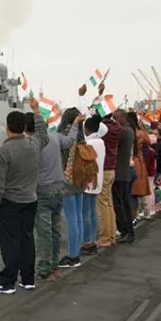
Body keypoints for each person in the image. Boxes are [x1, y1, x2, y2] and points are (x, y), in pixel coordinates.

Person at [0, 97, 49, 294]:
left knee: (10, 242)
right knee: (27, 239)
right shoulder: (33, 144)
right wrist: (37, 111)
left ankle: (7, 282)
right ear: (23, 127)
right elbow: (44, 134)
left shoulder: (5, 150)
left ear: (8, 128)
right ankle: (28, 278)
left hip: (10, 202)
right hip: (30, 200)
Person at [26, 106, 81, 278]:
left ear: (27, 129)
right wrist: (76, 124)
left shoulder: (33, 143)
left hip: (42, 191)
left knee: (44, 233)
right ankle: (55, 266)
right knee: (56, 230)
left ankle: (45, 269)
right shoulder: (56, 137)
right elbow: (71, 140)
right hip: (59, 188)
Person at [55, 107, 88, 269]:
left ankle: (73, 255)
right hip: (80, 178)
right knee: (78, 216)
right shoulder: (81, 135)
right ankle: (77, 251)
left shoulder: (64, 134)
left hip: (67, 179)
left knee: (71, 218)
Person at [81, 113, 107, 256]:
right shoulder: (101, 142)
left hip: (88, 181)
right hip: (98, 180)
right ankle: (92, 238)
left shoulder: (89, 144)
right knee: (92, 211)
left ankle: (87, 241)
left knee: (85, 212)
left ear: (87, 129)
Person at [98, 90, 122, 248]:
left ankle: (105, 238)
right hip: (112, 168)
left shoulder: (103, 129)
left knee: (102, 205)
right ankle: (112, 235)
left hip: (104, 169)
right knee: (109, 203)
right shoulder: (116, 127)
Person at [112, 109, 135, 244]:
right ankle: (127, 231)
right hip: (123, 171)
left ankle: (125, 230)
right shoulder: (129, 130)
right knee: (124, 203)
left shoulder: (123, 132)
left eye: (115, 118)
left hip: (119, 172)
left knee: (120, 204)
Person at [128, 112, 152, 221]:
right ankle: (138, 214)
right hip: (139, 162)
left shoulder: (127, 132)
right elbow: (148, 141)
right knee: (137, 192)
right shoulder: (140, 133)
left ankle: (133, 216)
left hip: (130, 161)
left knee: (130, 192)